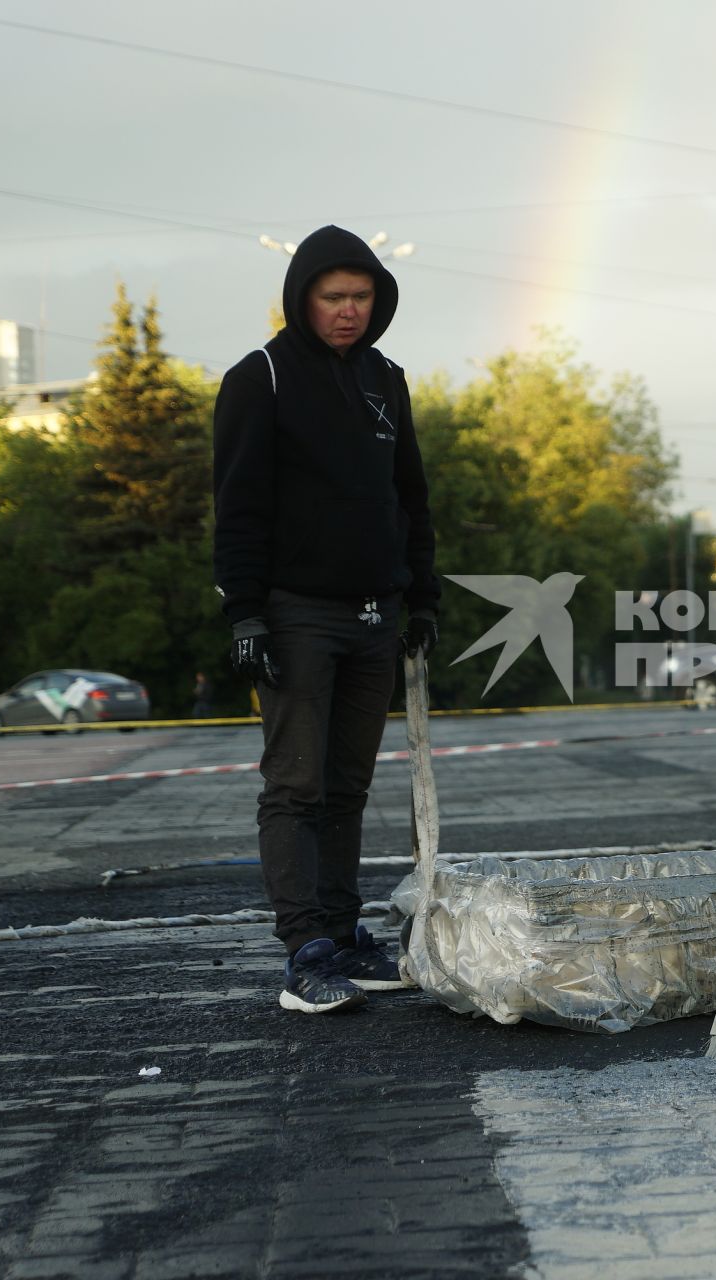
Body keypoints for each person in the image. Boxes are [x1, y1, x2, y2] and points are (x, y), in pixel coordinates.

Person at [213, 225, 440, 1014]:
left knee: (349, 787)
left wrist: (425, 597)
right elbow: (237, 505)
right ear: (302, 298)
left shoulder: (386, 380)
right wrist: (245, 612)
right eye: (333, 296)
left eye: (362, 296)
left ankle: (345, 938)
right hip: (297, 616)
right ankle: (304, 950)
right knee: (296, 785)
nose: (349, 310)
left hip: (376, 615)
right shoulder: (262, 378)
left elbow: (408, 496)